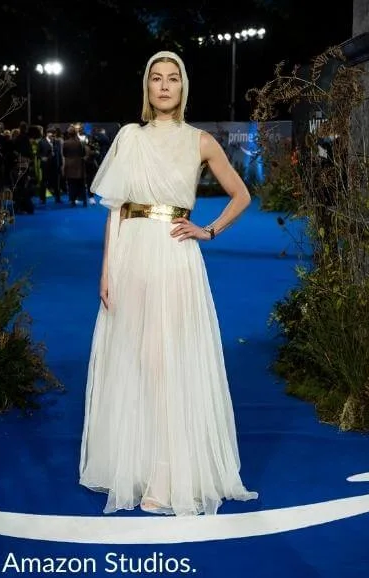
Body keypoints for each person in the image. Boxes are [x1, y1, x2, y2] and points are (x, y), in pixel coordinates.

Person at [78, 51, 258, 516]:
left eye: (172, 79)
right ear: (146, 86)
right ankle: (135, 465)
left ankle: (166, 473)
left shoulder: (199, 141)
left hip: (175, 257)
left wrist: (209, 229)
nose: (163, 86)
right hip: (131, 256)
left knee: (164, 362)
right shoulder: (128, 137)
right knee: (134, 360)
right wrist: (106, 270)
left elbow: (242, 195)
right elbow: (117, 209)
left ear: (183, 87)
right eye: (155, 78)